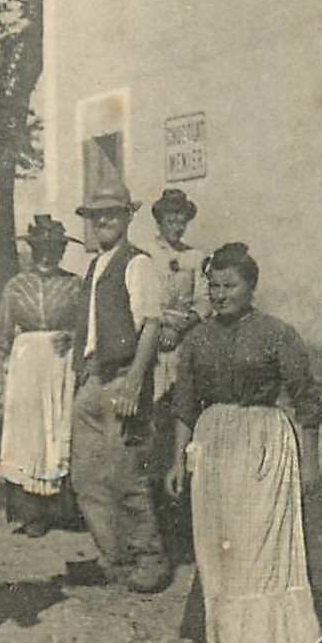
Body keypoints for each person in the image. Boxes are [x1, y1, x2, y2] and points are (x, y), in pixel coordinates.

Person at [164, 242, 322, 643]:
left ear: (251, 287)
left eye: (229, 285)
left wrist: (311, 465)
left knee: (261, 549)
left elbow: (308, 401)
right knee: (223, 547)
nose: (219, 294)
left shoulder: (278, 334)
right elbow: (183, 406)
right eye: (213, 286)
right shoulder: (197, 339)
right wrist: (178, 462)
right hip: (214, 444)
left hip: (262, 443)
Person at [69, 181, 170, 594]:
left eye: (113, 212)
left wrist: (133, 383)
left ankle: (150, 557)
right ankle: (113, 556)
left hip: (123, 378)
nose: (104, 220)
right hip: (93, 379)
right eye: (97, 214)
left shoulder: (137, 263)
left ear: (129, 216)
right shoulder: (95, 266)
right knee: (87, 476)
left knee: (127, 474)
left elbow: (150, 325)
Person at [0, 215, 81, 537]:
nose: (46, 256)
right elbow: (2, 332)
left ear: (61, 252)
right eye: (40, 249)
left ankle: (62, 509)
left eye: (53, 249)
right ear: (31, 250)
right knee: (27, 433)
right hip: (26, 364)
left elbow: (87, 326)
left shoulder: (74, 284)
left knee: (56, 428)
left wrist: (72, 334)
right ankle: (32, 513)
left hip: (61, 363)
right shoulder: (16, 286)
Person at [148, 188, 209, 561]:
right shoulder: (145, 256)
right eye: (170, 218)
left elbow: (203, 298)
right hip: (154, 344)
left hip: (184, 341)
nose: (176, 225)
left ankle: (184, 517)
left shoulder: (196, 257)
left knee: (184, 418)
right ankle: (156, 519)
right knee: (155, 424)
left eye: (181, 219)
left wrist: (185, 324)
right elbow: (143, 299)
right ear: (159, 220)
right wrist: (160, 330)